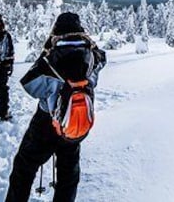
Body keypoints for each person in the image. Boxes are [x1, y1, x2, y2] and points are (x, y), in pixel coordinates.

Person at [6, 11, 106, 202]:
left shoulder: (50, 60)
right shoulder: (93, 58)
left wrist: (45, 54)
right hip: (76, 121)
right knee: (69, 174)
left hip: (45, 122)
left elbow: (30, 85)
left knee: (24, 167)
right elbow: (102, 58)